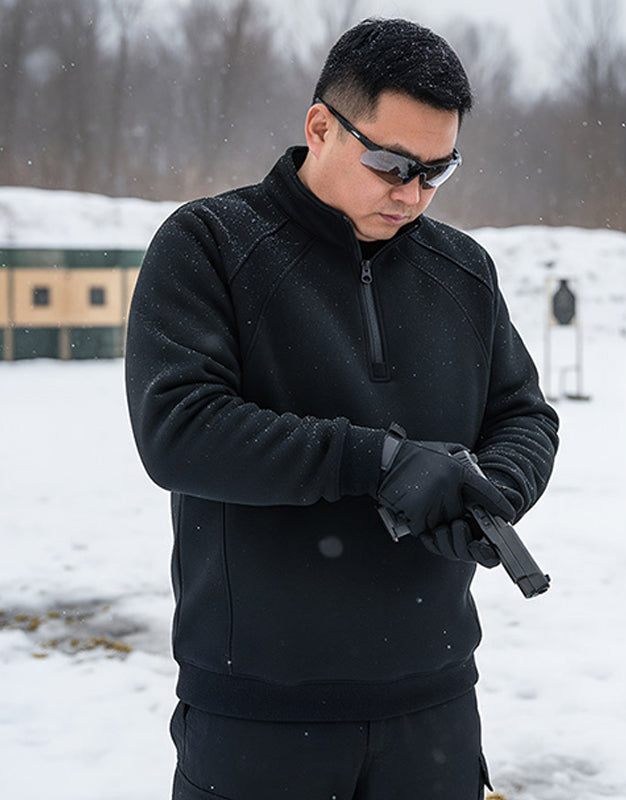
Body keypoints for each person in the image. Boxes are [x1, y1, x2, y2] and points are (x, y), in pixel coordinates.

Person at [125, 17, 559, 800]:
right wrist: (381, 464)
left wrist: (488, 488)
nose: (412, 193)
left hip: (434, 708)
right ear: (320, 126)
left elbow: (525, 413)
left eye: (438, 170)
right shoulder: (210, 244)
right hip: (258, 714)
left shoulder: (463, 269)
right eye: (393, 164)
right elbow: (179, 428)